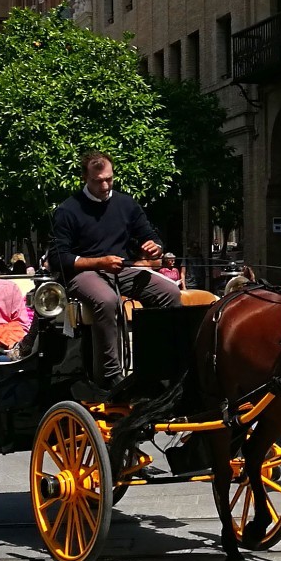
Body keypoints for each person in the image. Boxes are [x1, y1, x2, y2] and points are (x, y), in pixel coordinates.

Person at [46, 150, 182, 400]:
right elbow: (58, 258)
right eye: (98, 181)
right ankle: (109, 376)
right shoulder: (67, 210)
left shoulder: (126, 203)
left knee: (171, 293)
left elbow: (150, 235)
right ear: (85, 178)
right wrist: (99, 262)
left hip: (122, 269)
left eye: (109, 179)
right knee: (106, 300)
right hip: (84, 272)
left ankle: (158, 367)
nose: (105, 185)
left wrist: (154, 245)